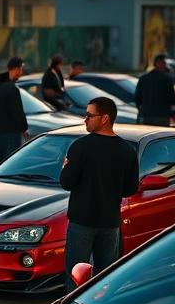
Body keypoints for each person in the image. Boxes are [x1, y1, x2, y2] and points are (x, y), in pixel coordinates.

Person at [59, 95, 139, 291]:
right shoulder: (127, 151)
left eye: (89, 115)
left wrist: (65, 168)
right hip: (110, 222)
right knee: (105, 277)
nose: (84, 119)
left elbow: (66, 183)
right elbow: (131, 189)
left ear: (104, 118)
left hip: (81, 222)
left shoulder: (80, 147)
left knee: (76, 274)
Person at [0, 57, 28, 161]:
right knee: (12, 161)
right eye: (20, 69)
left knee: (1, 160)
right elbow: (17, 111)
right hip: (12, 131)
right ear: (16, 69)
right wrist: (24, 127)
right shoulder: (12, 88)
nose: (21, 72)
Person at [133, 54, 175, 126]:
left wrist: (142, 110)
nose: (165, 65)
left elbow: (137, 98)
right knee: (161, 135)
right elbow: (172, 98)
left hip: (146, 114)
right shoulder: (167, 79)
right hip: (162, 116)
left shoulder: (144, 78)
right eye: (164, 63)